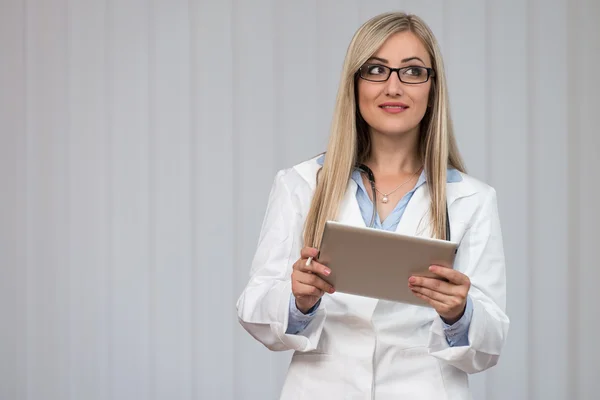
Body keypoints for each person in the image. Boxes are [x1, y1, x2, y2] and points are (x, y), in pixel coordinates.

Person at [236, 11, 508, 400]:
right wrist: (298, 301)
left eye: (412, 72)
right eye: (376, 70)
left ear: (432, 87)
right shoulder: (299, 184)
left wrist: (458, 314)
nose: (394, 87)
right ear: (355, 84)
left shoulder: (473, 200)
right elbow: (253, 309)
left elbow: (491, 343)